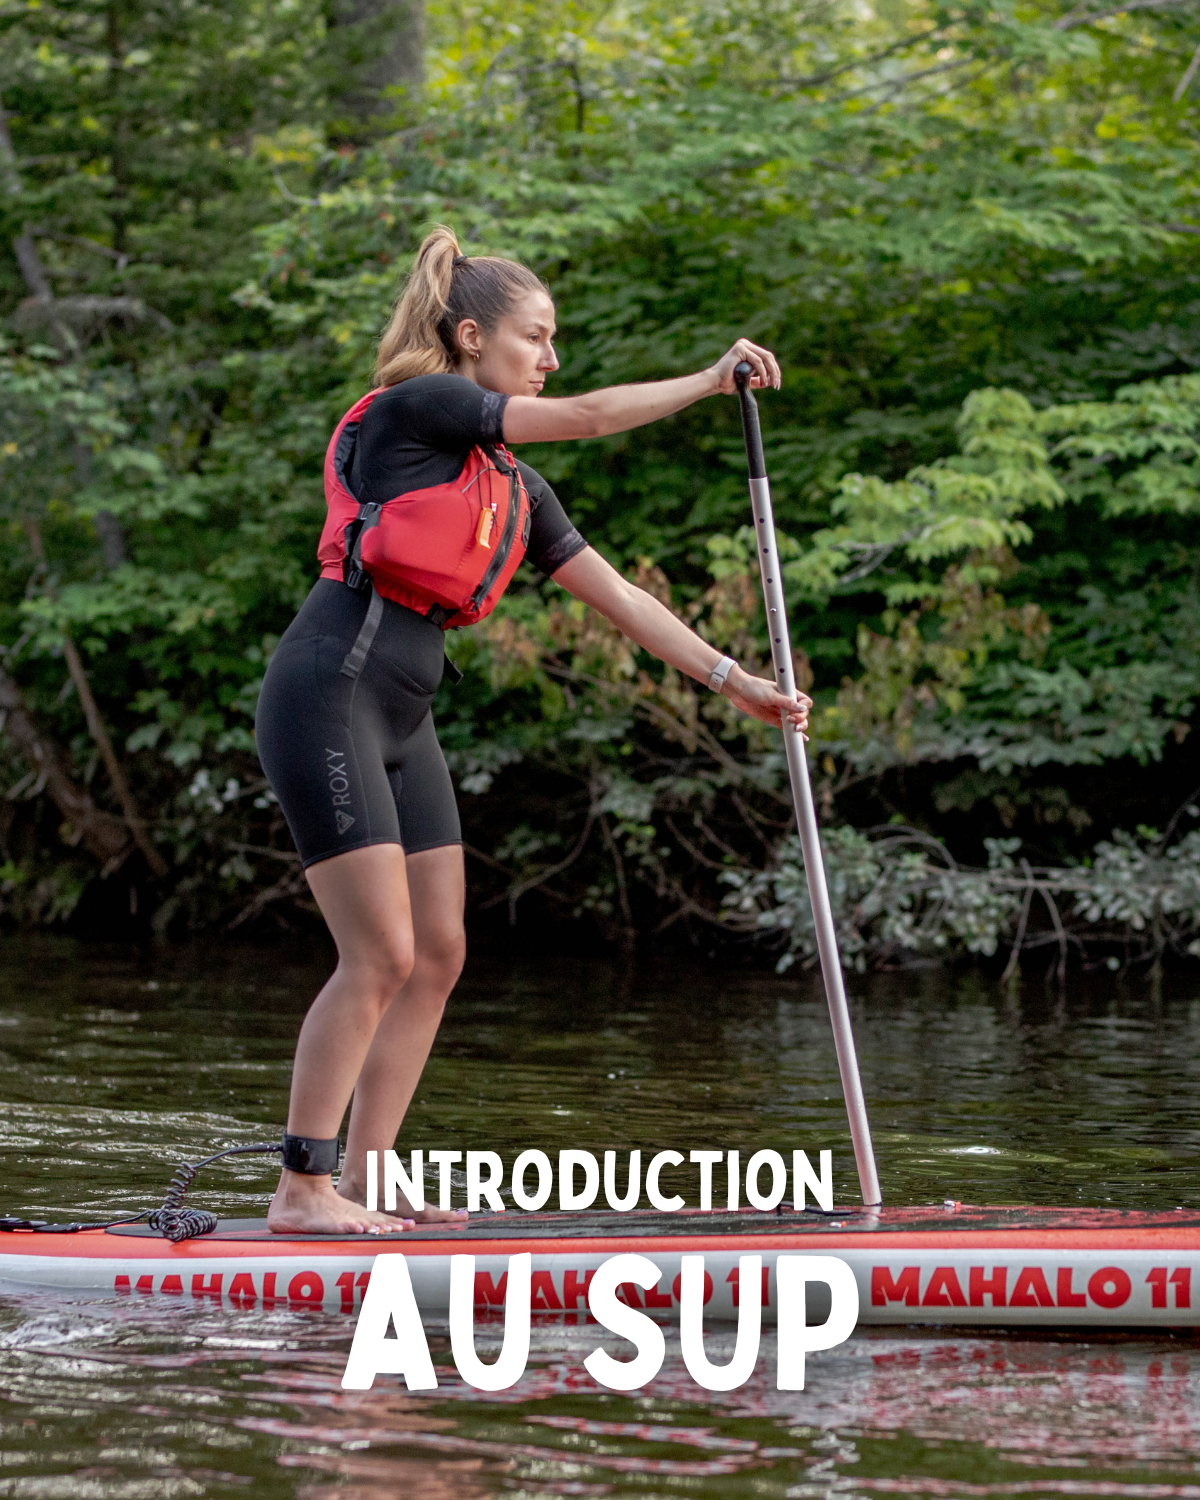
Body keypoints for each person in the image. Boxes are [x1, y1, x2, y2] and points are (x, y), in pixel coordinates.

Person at [255, 225, 811, 1234]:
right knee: (378, 951)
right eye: (535, 339)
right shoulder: (416, 410)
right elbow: (594, 418)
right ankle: (303, 1187)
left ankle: (373, 1171)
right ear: (471, 337)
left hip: (405, 705)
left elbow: (628, 603)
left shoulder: (513, 490)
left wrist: (737, 681)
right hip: (329, 688)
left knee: (442, 949)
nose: (552, 361)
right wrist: (708, 377)